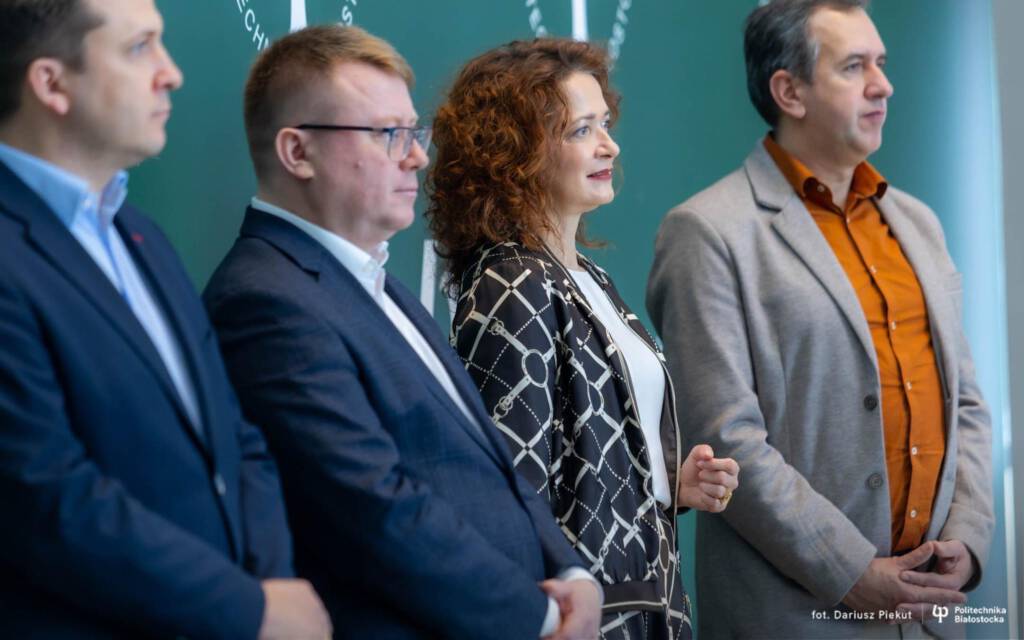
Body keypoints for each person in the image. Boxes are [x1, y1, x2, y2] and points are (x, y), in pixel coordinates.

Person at [203, 24, 602, 640]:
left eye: (414, 133)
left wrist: (571, 572)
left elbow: (495, 467)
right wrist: (543, 617)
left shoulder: (375, 283)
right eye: (387, 134)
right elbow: (373, 511)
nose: (417, 156)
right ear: (297, 152)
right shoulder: (264, 302)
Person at [646, 0, 994, 637]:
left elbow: (965, 401)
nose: (883, 85)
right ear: (790, 92)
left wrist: (968, 541)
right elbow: (726, 439)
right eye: (854, 66)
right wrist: (851, 570)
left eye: (881, 63)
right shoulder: (708, 232)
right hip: (796, 616)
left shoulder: (919, 223)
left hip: (932, 614)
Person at [0, 0, 330, 638]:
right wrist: (248, 609)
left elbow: (234, 435)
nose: (171, 73)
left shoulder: (138, 233)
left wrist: (268, 583)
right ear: (51, 84)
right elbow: (44, 495)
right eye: (138, 47)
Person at [426, 39, 739, 640]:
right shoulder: (512, 284)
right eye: (580, 130)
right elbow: (515, 493)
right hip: (583, 621)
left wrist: (667, 483)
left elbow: (586, 462)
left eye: (605, 124)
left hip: (648, 605)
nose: (609, 146)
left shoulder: (586, 277)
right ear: (515, 154)